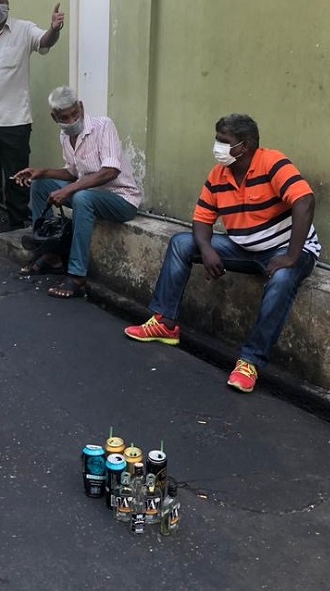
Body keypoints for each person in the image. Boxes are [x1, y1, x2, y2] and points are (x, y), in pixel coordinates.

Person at [124, 114, 319, 394]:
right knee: (181, 243)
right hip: (244, 248)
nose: (217, 146)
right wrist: (206, 250)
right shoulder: (219, 174)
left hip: (284, 251)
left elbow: (304, 200)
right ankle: (164, 323)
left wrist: (290, 256)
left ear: (245, 146)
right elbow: (202, 218)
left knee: (283, 280)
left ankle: (250, 362)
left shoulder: (272, 162)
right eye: (217, 139)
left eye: (224, 141)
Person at [14, 86, 141, 299]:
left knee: (82, 197)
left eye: (75, 113)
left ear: (81, 107)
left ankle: (76, 275)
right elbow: (73, 173)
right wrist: (41, 172)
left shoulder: (103, 126)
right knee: (40, 185)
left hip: (121, 199)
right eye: (65, 117)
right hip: (90, 194)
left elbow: (110, 171)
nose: (72, 120)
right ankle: (50, 254)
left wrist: (70, 190)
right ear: (55, 118)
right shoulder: (65, 137)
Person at [0, 0, 64, 246]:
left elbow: (44, 41)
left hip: (14, 121)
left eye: (1, 0)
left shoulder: (23, 29)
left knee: (18, 178)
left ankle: (19, 227)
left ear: (7, 1)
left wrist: (54, 29)